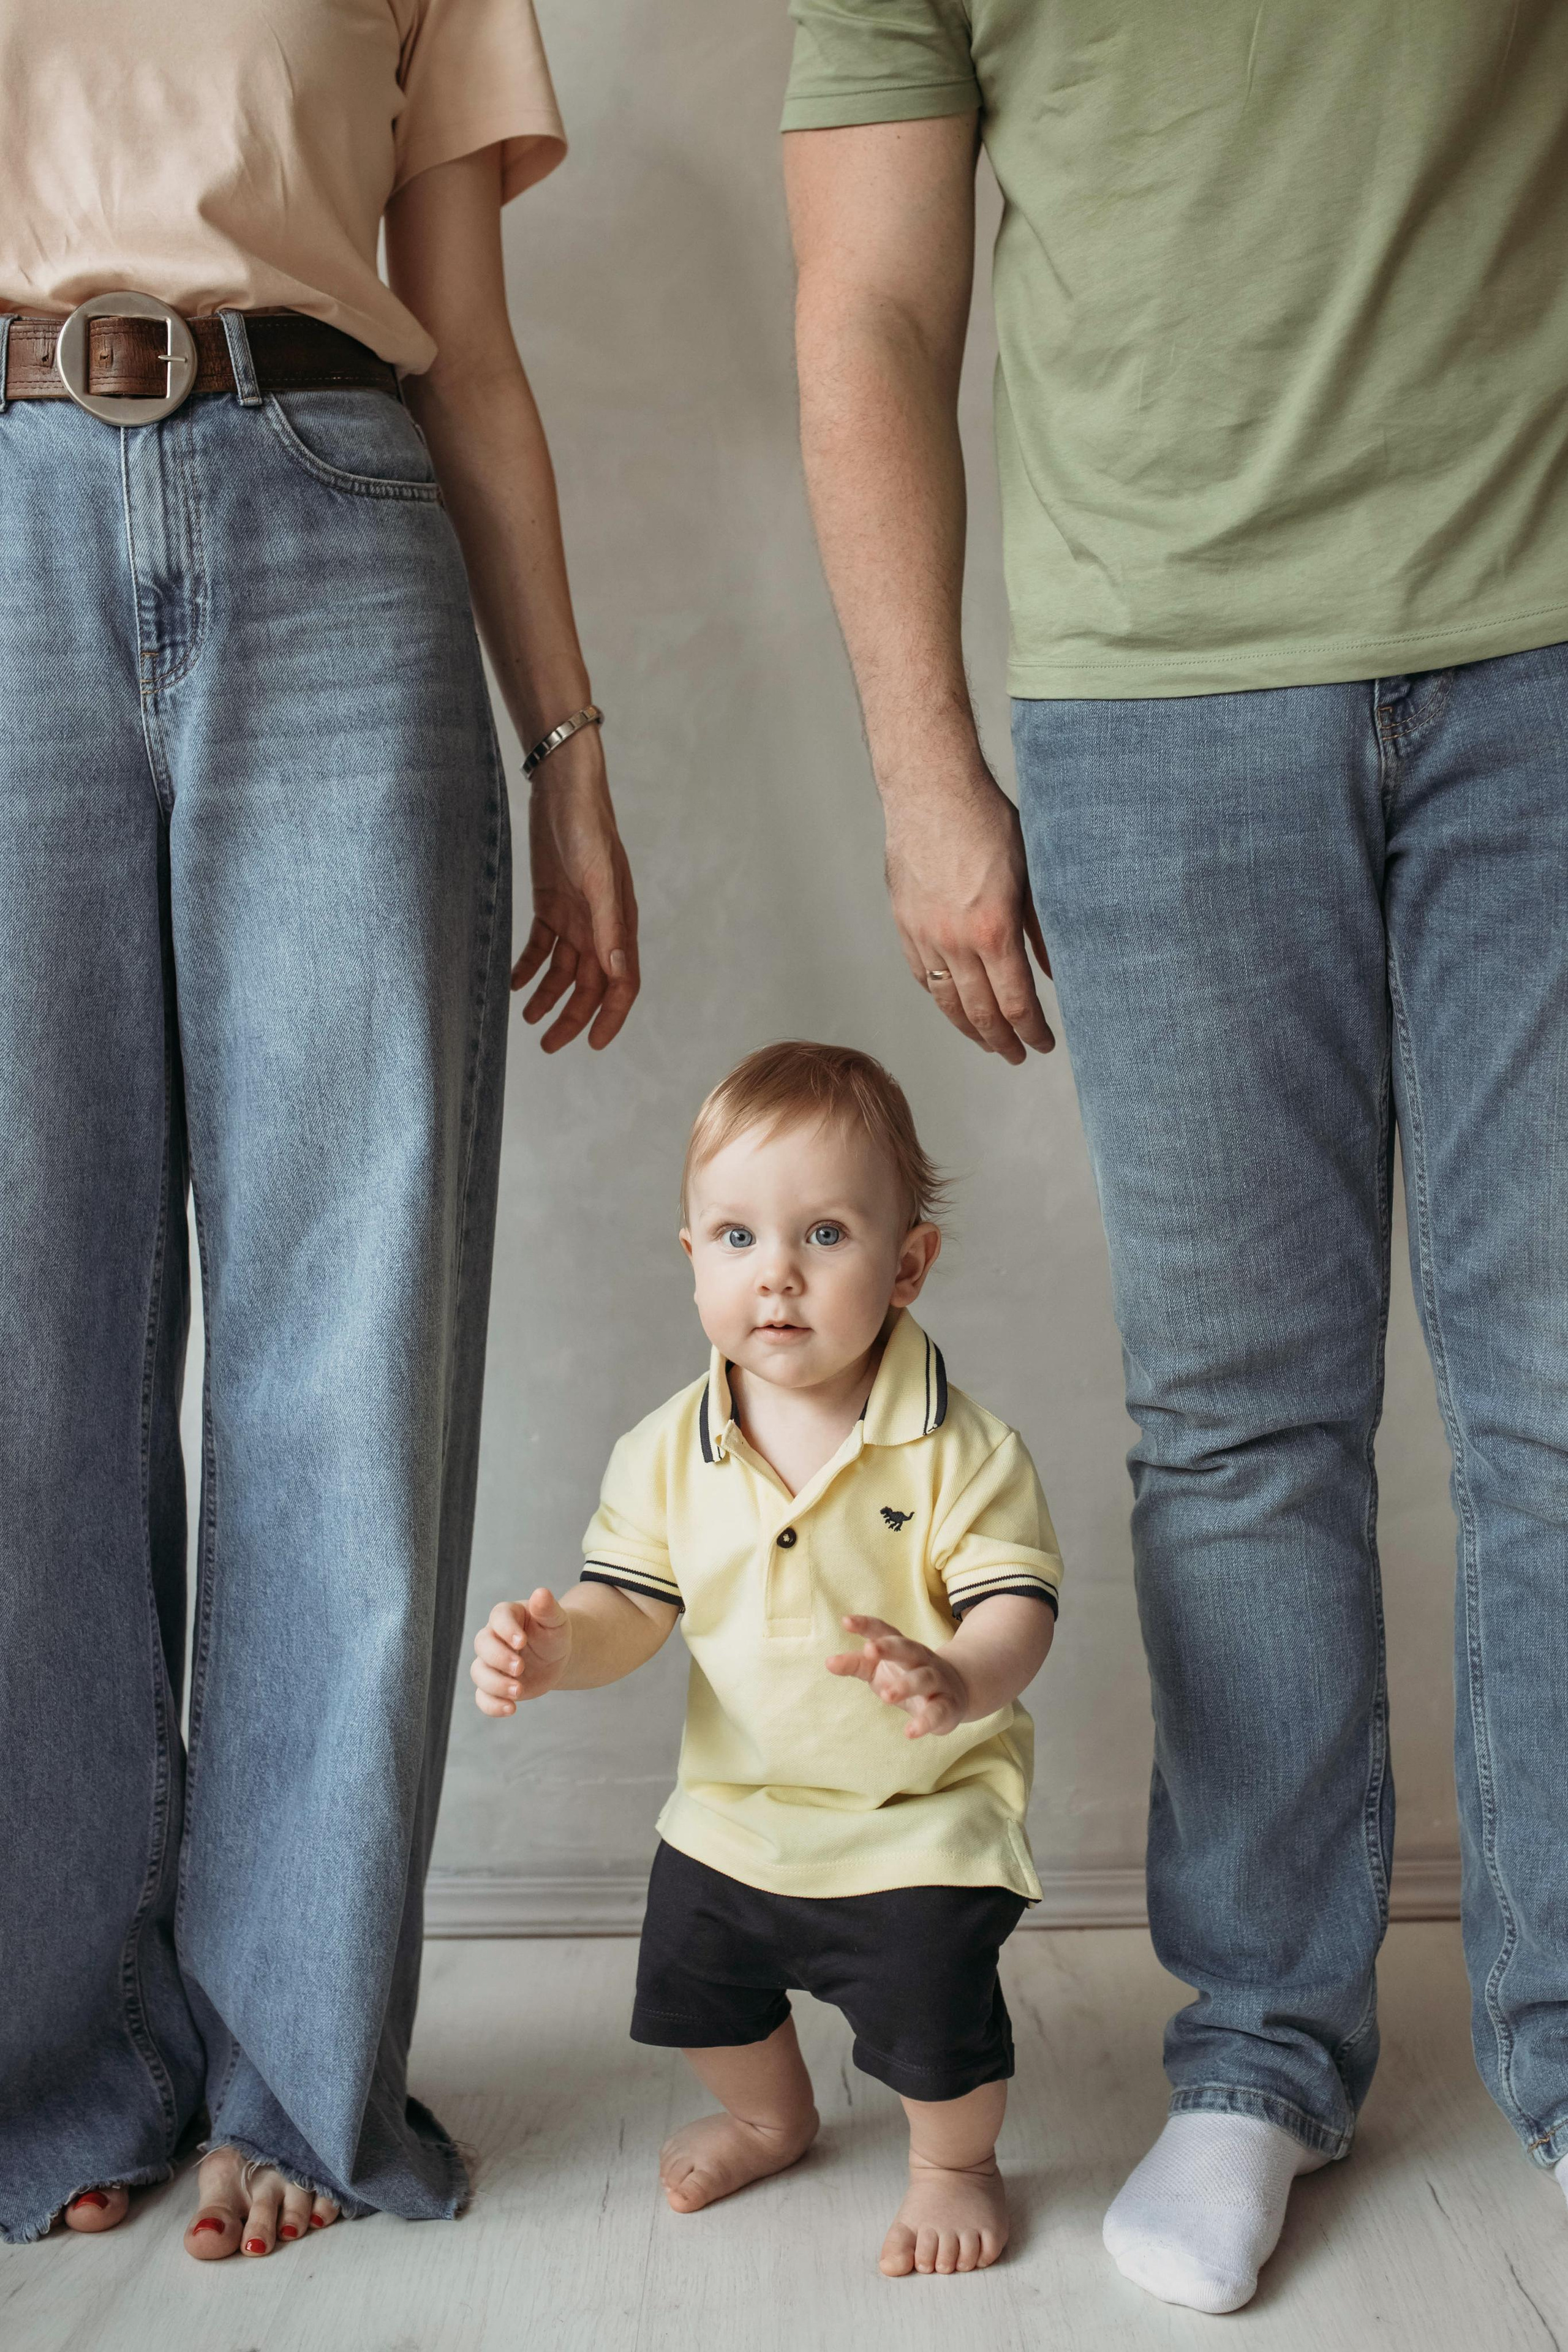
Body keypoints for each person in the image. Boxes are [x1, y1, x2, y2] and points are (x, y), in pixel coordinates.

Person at [779, 0, 1568, 2317]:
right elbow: (872, 300)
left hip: (1549, 650)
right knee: (1237, 1421)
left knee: (1562, 1399)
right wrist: (925, 770)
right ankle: (1263, 2051)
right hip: (1158, 694)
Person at [0, 0, 638, 2258]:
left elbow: (471, 340)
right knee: (27, 1349)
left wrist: (568, 746)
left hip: (336, 517)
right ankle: (58, 2059)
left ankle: (295, 2062)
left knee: (343, 1353)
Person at [470, 1042, 1061, 2276]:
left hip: (915, 1815)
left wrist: (956, 1676)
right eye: (737, 1237)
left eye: (825, 1235)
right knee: (693, 1983)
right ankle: (767, 2118)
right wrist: (560, 1646)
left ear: (907, 1266)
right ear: (694, 1257)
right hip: (738, 1807)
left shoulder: (962, 1449)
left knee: (932, 2013)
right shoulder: (664, 1449)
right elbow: (632, 1606)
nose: (776, 1273)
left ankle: (953, 2164)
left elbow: (1017, 1608)